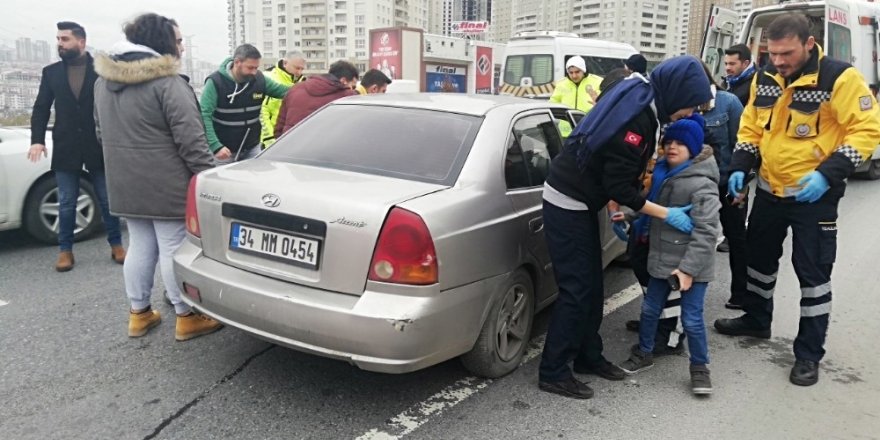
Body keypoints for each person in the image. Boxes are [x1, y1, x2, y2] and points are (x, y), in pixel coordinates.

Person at [714, 13, 880, 386]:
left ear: (809, 43)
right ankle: (756, 320)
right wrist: (742, 162)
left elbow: (868, 130)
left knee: (813, 273)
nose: (780, 61)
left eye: (786, 53)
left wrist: (828, 173)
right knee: (759, 261)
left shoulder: (839, 78)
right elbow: (752, 126)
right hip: (770, 192)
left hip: (814, 199)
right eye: (773, 53)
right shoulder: (765, 76)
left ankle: (808, 353)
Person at [537, 55, 712, 399]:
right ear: (676, 94)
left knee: (593, 287)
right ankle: (553, 370)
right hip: (567, 199)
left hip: (582, 198)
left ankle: (588, 356)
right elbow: (619, 185)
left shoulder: (640, 93)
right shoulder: (639, 117)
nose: (690, 114)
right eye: (690, 106)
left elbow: (610, 166)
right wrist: (663, 213)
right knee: (577, 290)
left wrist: (618, 208)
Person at [93, 13, 223, 341]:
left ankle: (139, 314)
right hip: (165, 184)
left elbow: (99, 132)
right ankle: (186, 316)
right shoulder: (168, 84)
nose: (181, 47)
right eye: (178, 40)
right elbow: (192, 142)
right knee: (172, 247)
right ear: (161, 42)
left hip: (124, 183)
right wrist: (209, 181)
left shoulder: (102, 82)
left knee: (139, 244)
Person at [616, 117, 721, 395]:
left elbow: (707, 233)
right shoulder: (663, 172)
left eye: (681, 143)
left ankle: (700, 368)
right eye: (668, 142)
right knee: (650, 309)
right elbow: (652, 207)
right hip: (660, 257)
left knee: (692, 318)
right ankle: (645, 352)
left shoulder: (702, 184)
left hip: (692, 267)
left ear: (694, 147)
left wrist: (687, 270)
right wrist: (628, 214)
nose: (672, 147)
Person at [28, 21, 126, 272]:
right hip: (66, 145)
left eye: (65, 39)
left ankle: (116, 244)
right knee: (66, 202)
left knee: (106, 199)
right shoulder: (51, 73)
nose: (60, 43)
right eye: (58, 39)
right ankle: (65, 251)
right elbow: (40, 108)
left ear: (81, 42)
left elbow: (116, 105)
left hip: (98, 144)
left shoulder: (101, 70)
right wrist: (37, 140)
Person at [699, 63, 747, 309]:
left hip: (728, 185)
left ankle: (741, 293)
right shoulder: (682, 107)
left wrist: (742, 184)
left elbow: (744, 146)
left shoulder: (729, 103)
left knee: (736, 238)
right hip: (696, 189)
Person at [200, 44, 290, 163]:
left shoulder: (259, 79)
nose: (254, 72)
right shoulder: (215, 82)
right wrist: (215, 145)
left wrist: (309, 87)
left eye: (256, 68)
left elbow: (284, 91)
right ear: (237, 62)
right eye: (250, 67)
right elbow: (204, 115)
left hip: (252, 147)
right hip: (224, 151)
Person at [274, 60, 359, 137]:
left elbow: (278, 129)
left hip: (289, 147)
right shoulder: (347, 97)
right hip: (323, 149)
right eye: (353, 85)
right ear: (343, 81)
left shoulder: (295, 89)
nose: (353, 88)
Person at [260, 51, 306, 148]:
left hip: (294, 138)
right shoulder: (268, 78)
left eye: (302, 69)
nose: (299, 72)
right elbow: (262, 112)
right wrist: (268, 139)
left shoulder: (304, 82)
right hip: (271, 139)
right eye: (297, 68)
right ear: (285, 63)